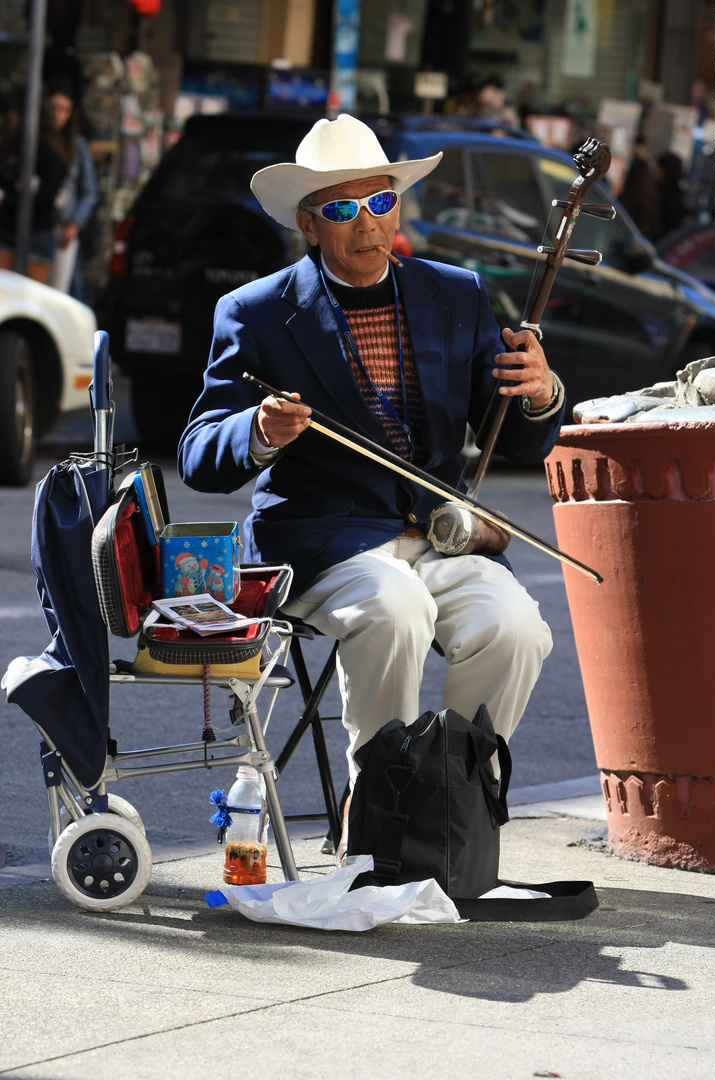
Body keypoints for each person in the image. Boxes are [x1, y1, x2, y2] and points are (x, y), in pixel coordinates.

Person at [178, 114, 565, 852]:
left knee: (515, 628)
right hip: (326, 546)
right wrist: (257, 432)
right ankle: (376, 790)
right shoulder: (257, 312)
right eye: (342, 209)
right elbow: (199, 451)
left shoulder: (457, 294)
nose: (366, 224)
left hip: (441, 539)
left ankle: (454, 796)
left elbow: (510, 433)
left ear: (398, 204)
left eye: (380, 202)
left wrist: (541, 392)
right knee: (395, 607)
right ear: (308, 224)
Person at [0, 92, 66, 284]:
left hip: (37, 233)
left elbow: (46, 198)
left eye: (15, 111)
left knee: (31, 298)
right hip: (7, 229)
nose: (11, 116)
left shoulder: (48, 154)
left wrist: (7, 202)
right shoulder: (12, 148)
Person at [47, 77, 98, 299]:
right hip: (40, 225)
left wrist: (74, 223)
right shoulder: (36, 140)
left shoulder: (77, 146)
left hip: (64, 227)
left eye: (65, 110)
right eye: (55, 108)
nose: (59, 115)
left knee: (66, 290)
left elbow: (90, 191)